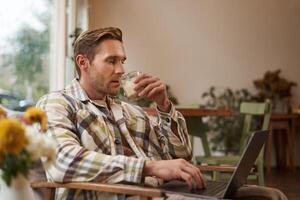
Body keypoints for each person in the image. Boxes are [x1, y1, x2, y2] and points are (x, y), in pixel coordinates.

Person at [36, 27, 287, 200]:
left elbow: (182, 156)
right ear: (83, 63)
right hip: (120, 195)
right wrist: (150, 167)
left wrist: (164, 106)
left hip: (163, 193)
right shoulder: (57, 104)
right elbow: (63, 163)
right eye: (112, 61)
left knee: (269, 196)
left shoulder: (131, 112)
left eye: (123, 60)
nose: (121, 69)